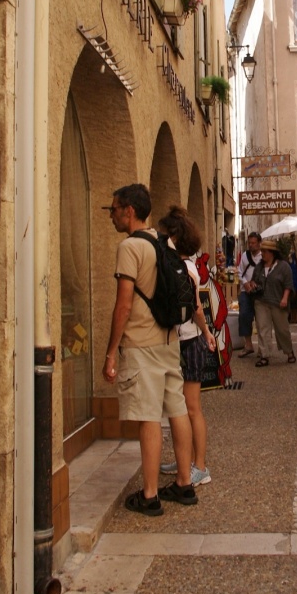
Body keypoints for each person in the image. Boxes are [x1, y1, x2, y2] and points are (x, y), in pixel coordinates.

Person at [102, 183, 196, 516]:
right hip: (170, 339)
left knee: (148, 417)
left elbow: (124, 304)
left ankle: (151, 494)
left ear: (129, 210)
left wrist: (112, 350)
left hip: (142, 343)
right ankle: (185, 484)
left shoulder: (130, 247)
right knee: (177, 408)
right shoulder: (162, 241)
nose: (111, 215)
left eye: (113, 209)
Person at [157, 206, 217, 488]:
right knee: (179, 406)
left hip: (189, 341)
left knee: (192, 407)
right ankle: (185, 460)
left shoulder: (187, 269)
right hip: (185, 340)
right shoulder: (181, 266)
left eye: (164, 234)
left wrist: (206, 332)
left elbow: (196, 309)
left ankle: (200, 466)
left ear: (175, 237)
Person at [248, 238, 296, 367]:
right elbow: (254, 281)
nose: (262, 253)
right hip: (261, 301)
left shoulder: (283, 266)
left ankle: (289, 352)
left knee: (282, 330)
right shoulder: (259, 267)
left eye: (264, 251)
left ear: (272, 253)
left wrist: (285, 298)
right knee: (262, 329)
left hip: (278, 302)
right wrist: (252, 285)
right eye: (262, 251)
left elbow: (288, 284)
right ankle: (264, 355)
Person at [237, 231, 262, 357]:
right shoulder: (245, 256)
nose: (251, 245)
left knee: (261, 319)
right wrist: (245, 283)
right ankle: (248, 345)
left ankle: (262, 348)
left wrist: (256, 284)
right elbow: (239, 271)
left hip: (259, 291)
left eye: (253, 243)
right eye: (249, 243)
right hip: (245, 291)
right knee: (244, 316)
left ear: (259, 244)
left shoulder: (264, 256)